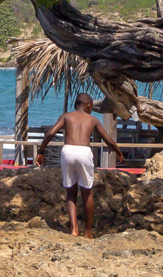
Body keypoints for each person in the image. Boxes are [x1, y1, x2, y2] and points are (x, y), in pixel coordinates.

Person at [36, 93, 124, 238]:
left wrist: (41, 151)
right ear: (89, 106)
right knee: (87, 192)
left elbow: (51, 133)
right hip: (84, 152)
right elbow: (108, 140)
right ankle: (88, 232)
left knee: (71, 192)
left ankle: (74, 230)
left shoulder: (66, 116)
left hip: (68, 151)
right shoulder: (93, 119)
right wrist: (118, 153)